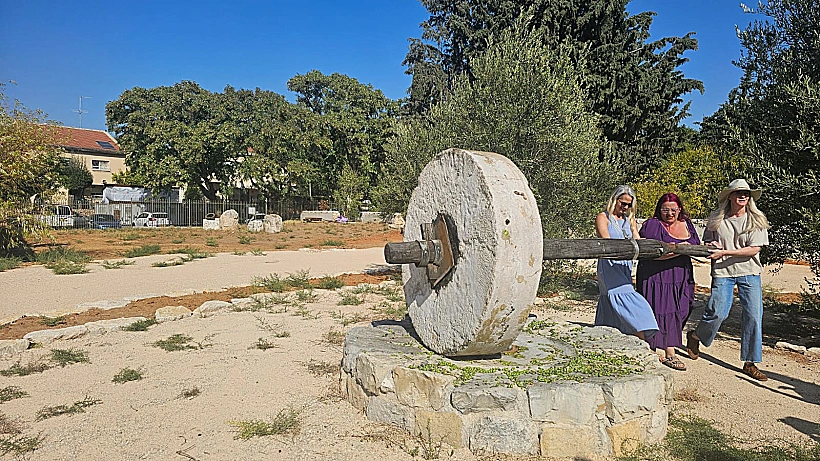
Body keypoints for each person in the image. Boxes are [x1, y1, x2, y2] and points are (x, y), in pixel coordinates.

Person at [686, 179, 771, 381]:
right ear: (730, 196)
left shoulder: (756, 220)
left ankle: (750, 363)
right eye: (739, 192)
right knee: (718, 312)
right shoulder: (717, 219)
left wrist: (724, 251)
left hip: (749, 272)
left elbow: (754, 250)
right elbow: (708, 241)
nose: (743, 196)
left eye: (746, 193)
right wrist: (712, 244)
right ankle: (696, 336)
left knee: (753, 316)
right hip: (723, 272)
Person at [637, 193, 701, 371]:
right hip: (655, 275)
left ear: (679, 209)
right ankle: (663, 352)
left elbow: (696, 245)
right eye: (665, 209)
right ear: (659, 209)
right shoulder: (652, 225)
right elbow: (648, 253)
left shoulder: (687, 224)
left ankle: (667, 346)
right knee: (656, 310)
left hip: (680, 274)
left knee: (682, 308)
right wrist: (680, 250)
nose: (670, 213)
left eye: (673, 209)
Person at [595, 185, 659, 340]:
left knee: (614, 298)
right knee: (624, 295)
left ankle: (607, 336)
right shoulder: (603, 217)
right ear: (614, 200)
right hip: (609, 265)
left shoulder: (629, 220)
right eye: (622, 203)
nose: (625, 207)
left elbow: (637, 239)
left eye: (628, 204)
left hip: (625, 265)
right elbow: (606, 241)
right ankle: (641, 335)